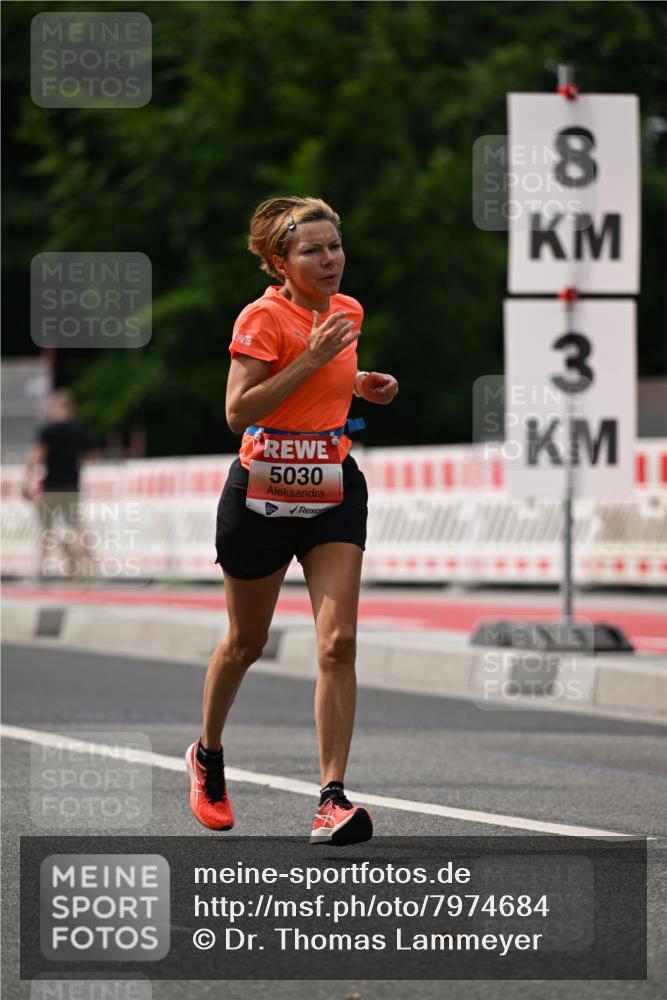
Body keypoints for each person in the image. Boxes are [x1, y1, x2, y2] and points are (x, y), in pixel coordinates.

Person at [185, 196, 398, 845]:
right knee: (246, 643)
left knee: (337, 642)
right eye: (313, 250)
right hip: (262, 492)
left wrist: (358, 382)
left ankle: (331, 799)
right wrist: (308, 358)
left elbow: (323, 379)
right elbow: (236, 410)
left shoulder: (348, 311)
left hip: (332, 484)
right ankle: (208, 755)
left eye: (334, 246)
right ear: (280, 260)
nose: (329, 259)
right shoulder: (262, 317)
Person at [23, 388, 96, 579]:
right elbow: (92, 456)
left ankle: (44, 568)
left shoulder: (48, 431)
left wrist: (26, 481)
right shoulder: (79, 430)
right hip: (71, 485)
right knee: (75, 527)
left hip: (51, 486)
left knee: (47, 528)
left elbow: (35, 457)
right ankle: (84, 566)